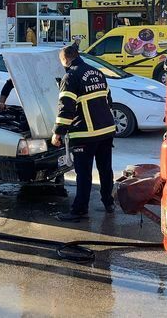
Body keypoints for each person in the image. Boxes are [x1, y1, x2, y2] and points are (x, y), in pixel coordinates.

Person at [52, 44, 116, 222]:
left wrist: (58, 132)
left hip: (85, 133)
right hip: (106, 130)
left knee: (84, 173)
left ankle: (79, 210)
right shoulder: (97, 73)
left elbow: (66, 107)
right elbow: (108, 100)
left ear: (65, 59)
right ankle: (108, 202)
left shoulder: (70, 76)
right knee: (105, 169)